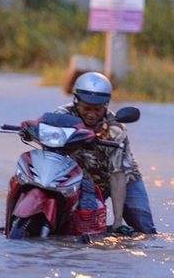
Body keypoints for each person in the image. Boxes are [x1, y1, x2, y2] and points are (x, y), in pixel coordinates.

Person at [55, 72, 156, 235]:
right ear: (76, 101)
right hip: (81, 181)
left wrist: (117, 223)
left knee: (145, 231)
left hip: (122, 180)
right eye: (86, 108)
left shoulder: (116, 131)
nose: (91, 114)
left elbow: (118, 176)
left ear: (106, 105)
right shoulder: (60, 117)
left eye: (97, 109)